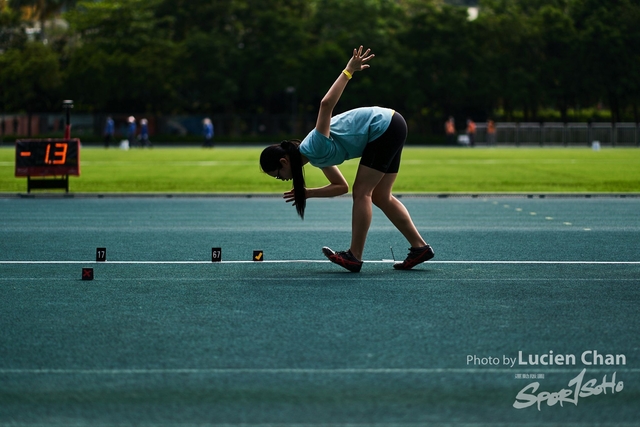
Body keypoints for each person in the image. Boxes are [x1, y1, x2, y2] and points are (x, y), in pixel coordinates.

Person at [259, 46, 433, 273]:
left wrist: (349, 70)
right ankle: (419, 247)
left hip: (384, 127)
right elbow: (340, 187)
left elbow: (325, 105)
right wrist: (309, 192)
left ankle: (354, 256)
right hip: (392, 124)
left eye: (278, 175)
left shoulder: (314, 145)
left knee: (363, 193)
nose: (281, 179)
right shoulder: (315, 156)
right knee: (380, 195)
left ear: (284, 162)